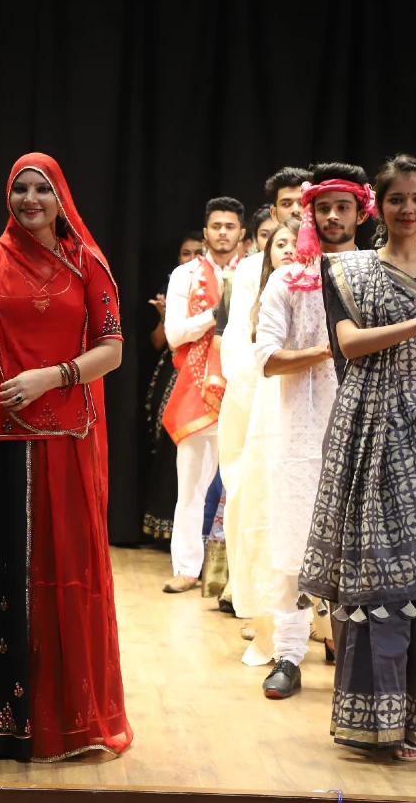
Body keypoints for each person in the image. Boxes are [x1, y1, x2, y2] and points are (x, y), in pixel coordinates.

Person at [0, 152, 132, 761]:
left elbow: (112, 349)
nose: (30, 200)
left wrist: (52, 376)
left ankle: (62, 718)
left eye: (42, 189)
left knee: (65, 572)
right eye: (20, 189)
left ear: (61, 197)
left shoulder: (87, 264)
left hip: (66, 443)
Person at [300, 154, 416, 760]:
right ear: (378, 206)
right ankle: (370, 715)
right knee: (372, 566)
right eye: (397, 198)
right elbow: (348, 345)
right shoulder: (347, 268)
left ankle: (415, 717)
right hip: (364, 424)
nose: (408, 208)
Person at [239, 163, 372, 700]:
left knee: (360, 548)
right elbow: (267, 358)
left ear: (362, 212)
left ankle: (354, 657)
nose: (333, 216)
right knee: (292, 546)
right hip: (297, 432)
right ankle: (289, 656)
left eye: (344, 207)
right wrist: (327, 350)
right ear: (309, 213)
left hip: (365, 429)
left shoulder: (377, 275)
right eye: (324, 208)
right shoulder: (288, 280)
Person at [160, 197, 244, 592]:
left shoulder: (255, 270)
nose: (223, 232)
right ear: (206, 232)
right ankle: (187, 569)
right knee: (191, 486)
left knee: (244, 487)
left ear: (242, 232)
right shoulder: (185, 275)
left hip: (243, 384)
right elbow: (175, 334)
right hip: (197, 386)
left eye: (230, 226)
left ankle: (239, 578)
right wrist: (217, 312)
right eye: (216, 226)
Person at [219, 218, 296, 645]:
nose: (287, 249)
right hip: (257, 404)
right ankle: (262, 610)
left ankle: (317, 621)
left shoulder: (320, 289)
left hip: (301, 414)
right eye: (278, 243)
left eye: (294, 242)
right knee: (252, 504)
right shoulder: (253, 284)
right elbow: (239, 354)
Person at [142, 233, 203, 542]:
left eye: (197, 252)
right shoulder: (174, 289)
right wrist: (166, 317)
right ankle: (166, 527)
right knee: (168, 445)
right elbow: (159, 342)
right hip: (173, 372)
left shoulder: (216, 287)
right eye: (185, 253)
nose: (190, 258)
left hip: (206, 372)